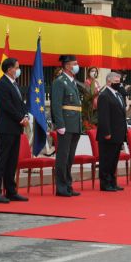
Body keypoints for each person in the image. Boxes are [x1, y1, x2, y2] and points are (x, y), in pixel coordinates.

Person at [0, 57, 29, 203]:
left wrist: (25, 115)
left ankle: (11, 191)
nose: (18, 70)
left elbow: (20, 104)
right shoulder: (2, 84)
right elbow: (6, 106)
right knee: (2, 160)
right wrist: (20, 118)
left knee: (12, 161)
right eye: (17, 67)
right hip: (6, 127)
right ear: (9, 69)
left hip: (16, 127)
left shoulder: (14, 84)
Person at [51, 55, 83, 197]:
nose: (76, 66)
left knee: (70, 157)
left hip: (75, 123)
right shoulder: (60, 82)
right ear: (67, 66)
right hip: (66, 123)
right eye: (74, 63)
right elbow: (56, 105)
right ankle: (61, 187)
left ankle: (68, 185)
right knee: (63, 157)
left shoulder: (72, 82)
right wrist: (60, 124)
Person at [96, 72, 128, 192]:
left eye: (119, 80)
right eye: (116, 80)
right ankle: (105, 183)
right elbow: (103, 116)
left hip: (118, 133)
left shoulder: (118, 94)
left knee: (114, 160)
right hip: (108, 134)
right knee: (106, 160)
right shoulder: (104, 95)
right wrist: (106, 132)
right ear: (109, 81)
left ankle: (112, 182)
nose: (118, 83)